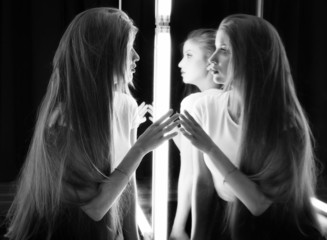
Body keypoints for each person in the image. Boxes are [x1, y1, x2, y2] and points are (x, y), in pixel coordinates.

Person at [4, 7, 179, 240]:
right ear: (103, 55)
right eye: (128, 48)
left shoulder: (125, 105)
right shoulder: (62, 122)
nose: (136, 57)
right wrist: (141, 148)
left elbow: (128, 185)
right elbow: (95, 209)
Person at [179, 14, 325, 240]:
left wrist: (210, 149)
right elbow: (203, 183)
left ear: (251, 57)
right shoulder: (205, 107)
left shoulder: (286, 124)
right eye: (215, 48)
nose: (213, 59)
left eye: (224, 50)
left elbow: (258, 204)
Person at [169, 29, 223, 240]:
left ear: (212, 59)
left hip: (210, 216)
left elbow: (193, 173)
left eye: (189, 55)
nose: (181, 64)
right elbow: (210, 160)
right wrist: (177, 135)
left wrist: (178, 228)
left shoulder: (194, 103)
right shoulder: (230, 100)